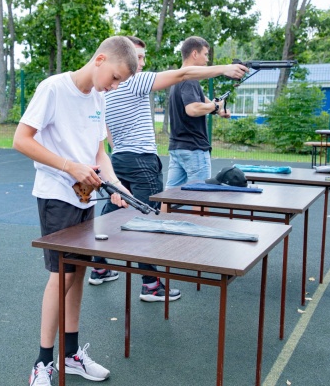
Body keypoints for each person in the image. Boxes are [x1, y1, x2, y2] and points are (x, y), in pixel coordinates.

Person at [13, 36, 138, 386]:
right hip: (56, 196)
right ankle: (42, 362)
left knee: (78, 272)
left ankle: (70, 355)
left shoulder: (98, 97)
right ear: (100, 60)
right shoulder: (53, 88)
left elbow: (99, 154)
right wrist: (70, 166)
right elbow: (21, 140)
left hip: (86, 198)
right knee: (62, 276)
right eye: (115, 77)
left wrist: (116, 184)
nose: (114, 86)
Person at [90, 36, 247, 302]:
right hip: (141, 160)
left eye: (142, 58)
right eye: (136, 57)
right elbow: (184, 73)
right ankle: (151, 285)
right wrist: (225, 69)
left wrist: (120, 152)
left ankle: (99, 265)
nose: (140, 63)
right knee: (148, 219)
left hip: (120, 159)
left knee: (113, 211)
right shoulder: (134, 81)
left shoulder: (106, 88)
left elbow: (106, 131)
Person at [165, 36, 233, 189]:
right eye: (205, 54)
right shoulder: (190, 80)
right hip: (194, 149)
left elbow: (199, 99)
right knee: (201, 195)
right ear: (194, 54)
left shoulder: (178, 78)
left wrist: (218, 110)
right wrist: (214, 106)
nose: (207, 59)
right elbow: (193, 109)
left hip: (178, 148)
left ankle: (165, 208)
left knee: (170, 195)